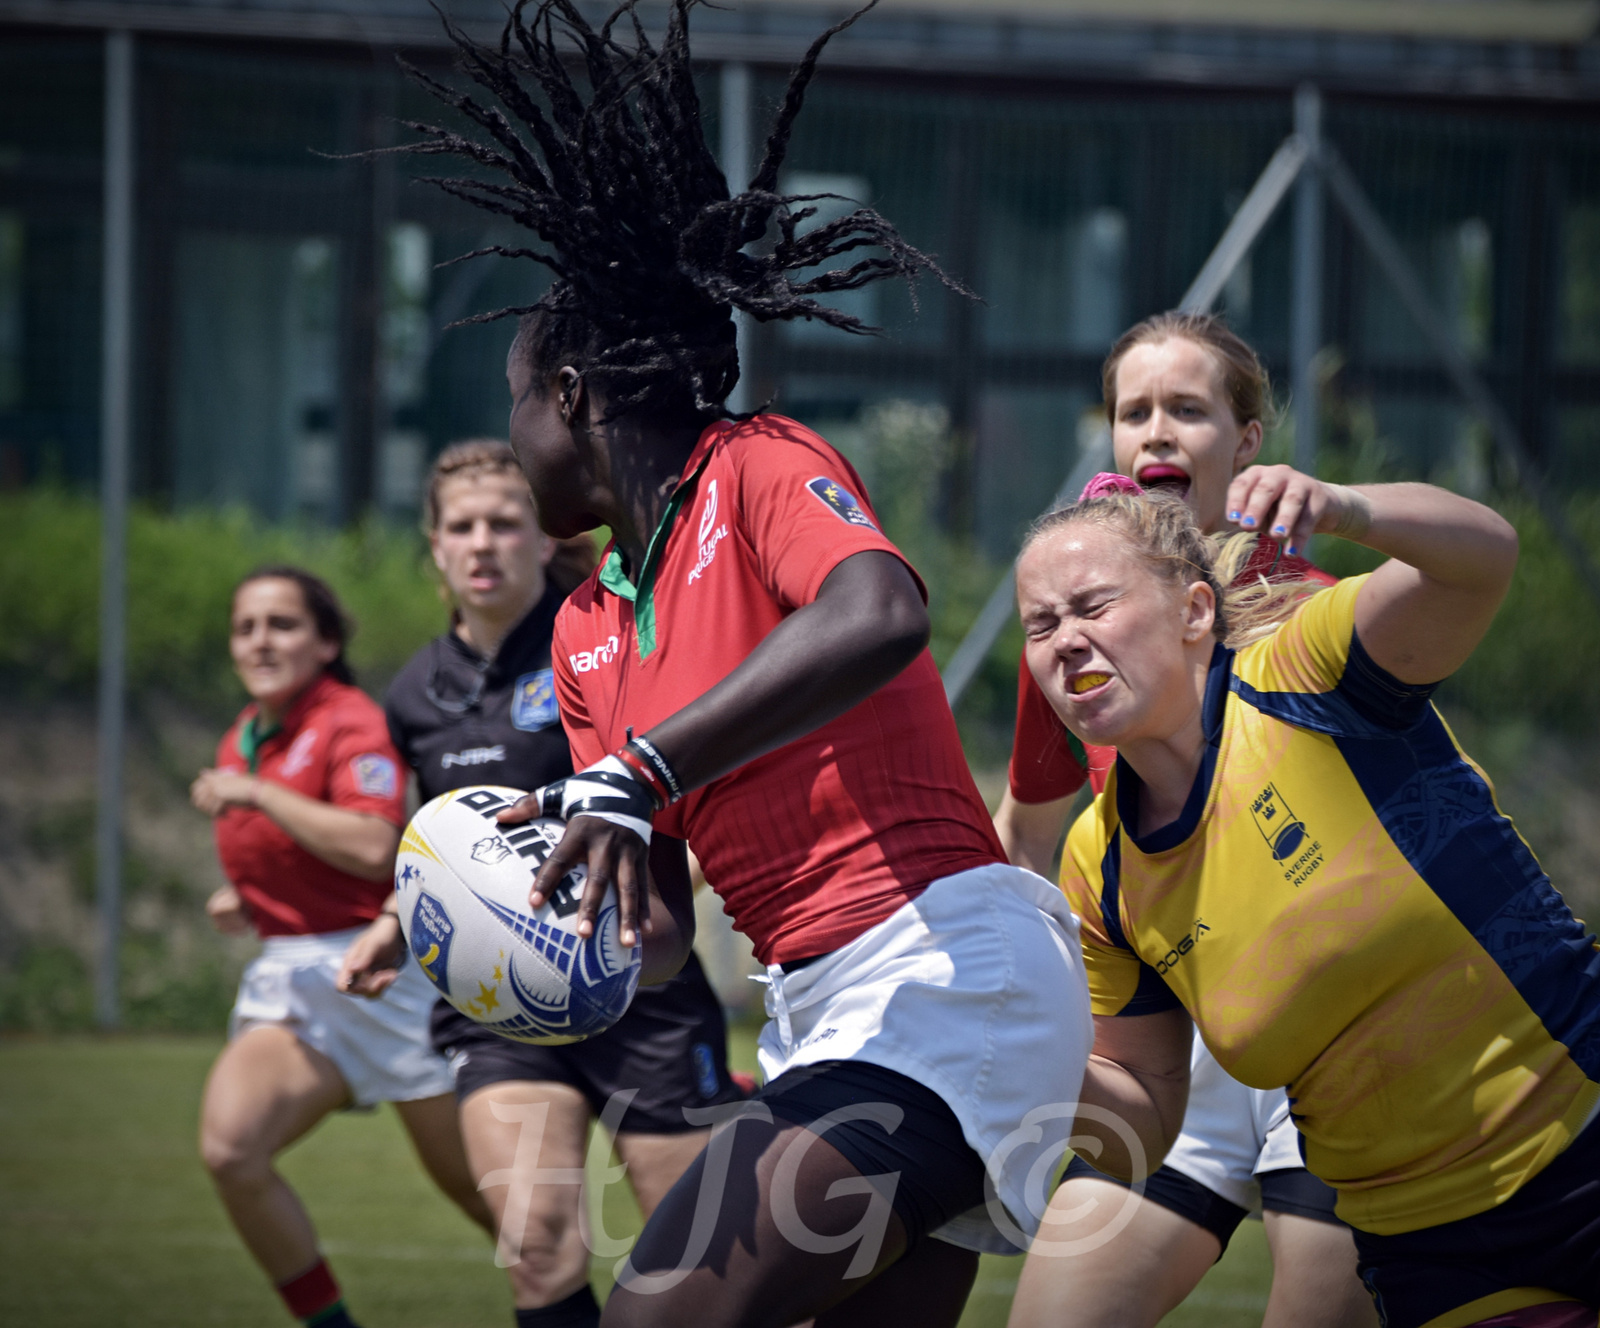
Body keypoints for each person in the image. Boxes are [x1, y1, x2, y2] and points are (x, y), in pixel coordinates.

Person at [399, 4, 1094, 1325]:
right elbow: (658, 935)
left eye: (512, 402)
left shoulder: (758, 464)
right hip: (824, 1011)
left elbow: (882, 609)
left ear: (575, 398)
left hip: (947, 975)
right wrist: (530, 916)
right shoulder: (589, 630)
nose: (511, 434)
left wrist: (644, 769)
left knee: (661, 1302)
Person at [1010, 467, 1600, 1328]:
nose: (1065, 641)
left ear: (1195, 612)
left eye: (1092, 606)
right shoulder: (1097, 865)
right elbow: (1138, 1121)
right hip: (1431, 1250)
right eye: (1041, 624)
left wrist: (1351, 508)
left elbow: (1482, 560)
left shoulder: (1303, 673)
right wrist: (1023, 1049)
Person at [997, 313, 1375, 1328]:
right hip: (1166, 1053)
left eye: (1188, 409)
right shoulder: (1079, 629)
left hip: (1331, 1052)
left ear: (1246, 439)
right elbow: (1030, 835)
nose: (1156, 433)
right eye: (1134, 412)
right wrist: (999, 982)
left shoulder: (1319, 612)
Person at [337, 439, 743, 1328]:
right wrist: (392, 921)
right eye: (462, 527)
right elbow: (446, 858)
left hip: (640, 991)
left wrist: (680, 901)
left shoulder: (599, 640)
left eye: (503, 522)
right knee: (536, 1243)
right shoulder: (413, 695)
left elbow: (678, 793)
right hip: (499, 1005)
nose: (483, 542)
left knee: (706, 1268)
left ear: (538, 535)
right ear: (435, 546)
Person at [193, 565, 491, 1328]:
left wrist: (258, 795)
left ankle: (617, 1308)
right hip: (294, 984)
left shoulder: (348, 720)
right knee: (232, 1151)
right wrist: (253, 900)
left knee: (497, 1203)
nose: (261, 640)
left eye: (282, 624)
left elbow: (370, 844)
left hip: (386, 979)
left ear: (326, 642)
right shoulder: (247, 733)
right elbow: (299, 862)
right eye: (246, 626)